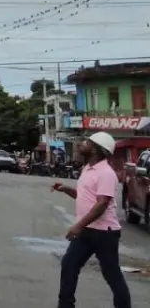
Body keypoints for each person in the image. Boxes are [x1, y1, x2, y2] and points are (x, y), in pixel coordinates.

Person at [51, 131, 131, 308]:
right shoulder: (87, 169)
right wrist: (66, 189)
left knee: (111, 274)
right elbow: (86, 197)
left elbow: (101, 205)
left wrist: (78, 225)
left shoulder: (106, 173)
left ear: (96, 149)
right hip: (87, 230)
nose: (82, 144)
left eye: (87, 142)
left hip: (105, 234)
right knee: (69, 264)